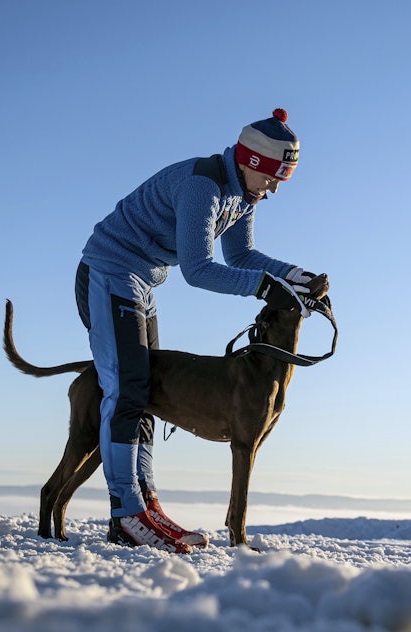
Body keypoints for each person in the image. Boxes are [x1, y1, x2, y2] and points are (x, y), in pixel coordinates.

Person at [75, 108, 324, 552]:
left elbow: (242, 256)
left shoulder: (241, 196)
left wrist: (295, 277)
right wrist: (268, 289)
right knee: (127, 389)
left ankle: (145, 504)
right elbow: (197, 269)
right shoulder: (203, 187)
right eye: (272, 181)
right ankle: (126, 512)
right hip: (109, 272)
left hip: (143, 280)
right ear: (251, 163)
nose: (271, 193)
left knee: (146, 389)